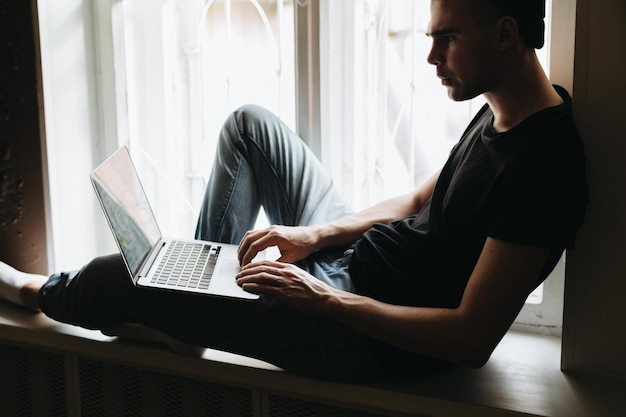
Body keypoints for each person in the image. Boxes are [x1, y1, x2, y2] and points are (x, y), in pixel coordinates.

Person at [0, 0, 587, 380]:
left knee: (108, 277)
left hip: (363, 334)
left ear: (506, 34)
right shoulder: (503, 109)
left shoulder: (544, 167)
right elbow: (415, 204)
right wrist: (314, 232)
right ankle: (197, 301)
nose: (432, 57)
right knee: (250, 125)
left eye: (448, 39)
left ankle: (49, 292)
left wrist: (320, 298)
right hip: (360, 264)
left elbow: (469, 338)